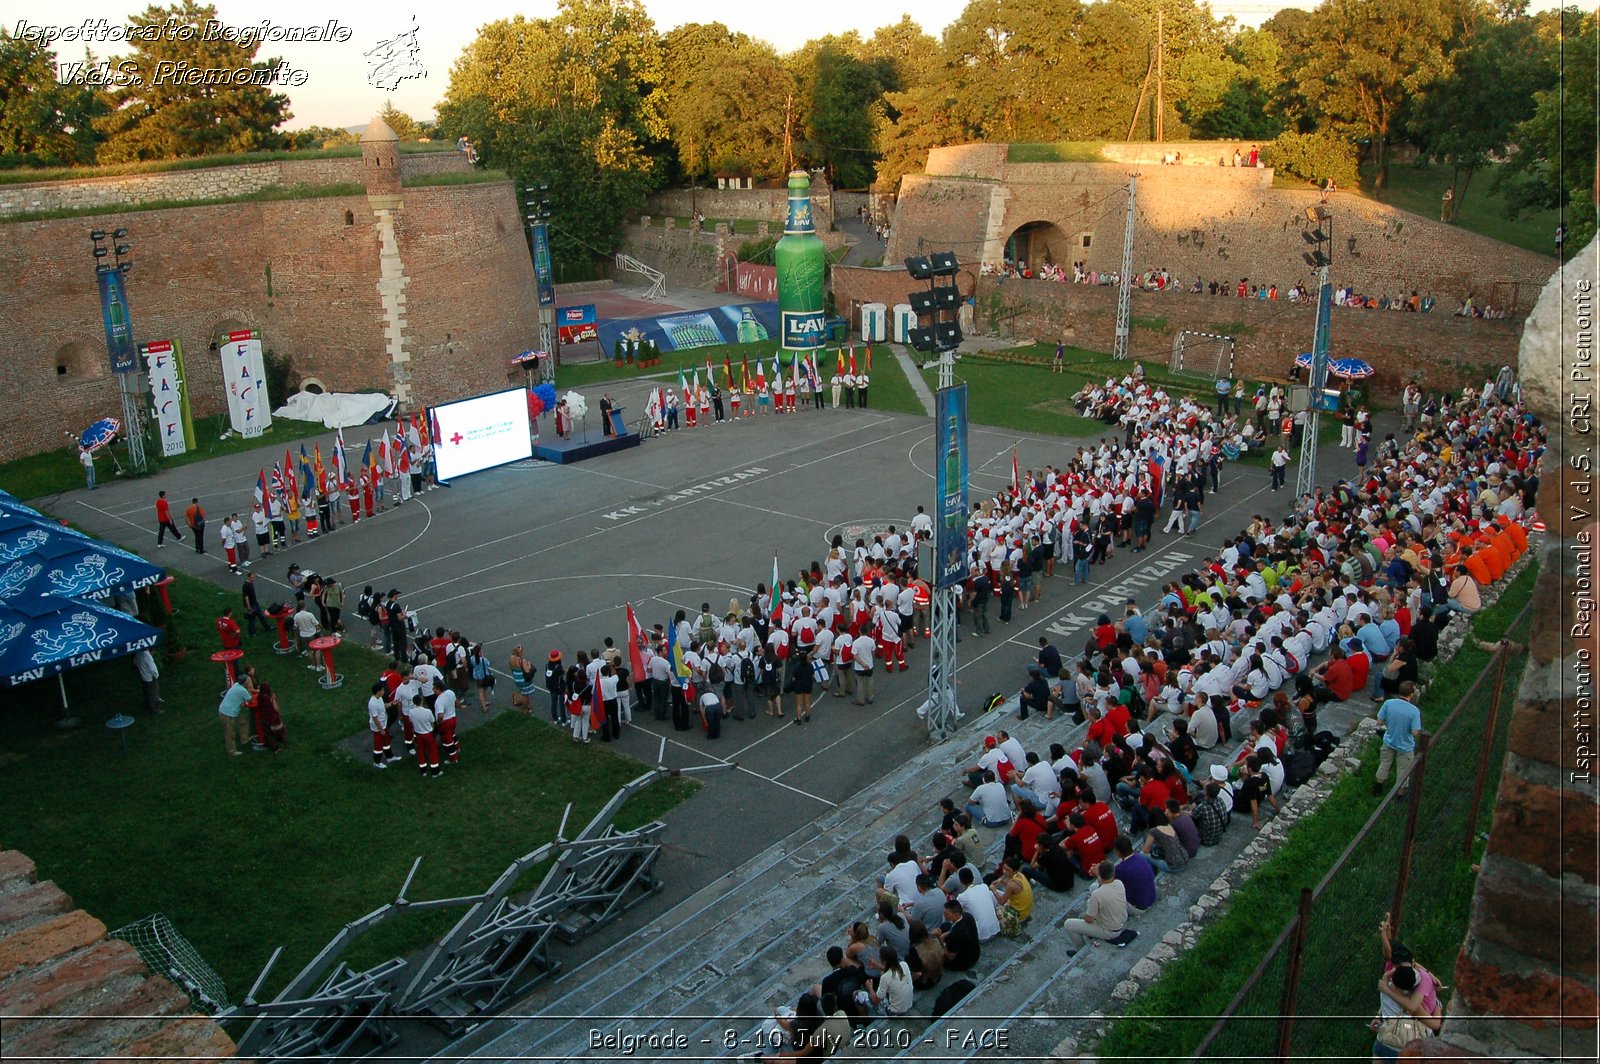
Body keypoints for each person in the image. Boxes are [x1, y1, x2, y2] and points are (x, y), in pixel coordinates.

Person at [1063, 861, 1130, 954]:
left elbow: (1089, 919)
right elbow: (1104, 886)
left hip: (1109, 931)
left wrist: (1083, 917)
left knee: (1068, 924)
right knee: (1091, 896)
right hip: (1122, 923)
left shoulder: (1097, 894)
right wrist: (1098, 874)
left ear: (1100, 875)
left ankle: (1080, 951)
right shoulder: (1119, 883)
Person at [1373, 681, 1422, 797]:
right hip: (1405, 745)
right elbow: (1415, 732)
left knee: (1384, 763)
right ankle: (1400, 793)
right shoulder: (1414, 711)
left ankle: (1378, 787)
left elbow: (1379, 721)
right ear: (1411, 694)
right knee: (1403, 769)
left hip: (1389, 741)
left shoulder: (1389, 703)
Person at [938, 897, 981, 971]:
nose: (944, 915)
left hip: (962, 963)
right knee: (945, 926)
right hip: (975, 953)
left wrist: (942, 942)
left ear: (956, 914)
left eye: (947, 914)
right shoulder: (968, 916)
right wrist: (946, 934)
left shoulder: (955, 934)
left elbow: (950, 957)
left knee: (936, 954)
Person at [218, 679, 252, 756]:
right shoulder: (243, 690)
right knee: (230, 732)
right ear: (246, 682)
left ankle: (244, 738)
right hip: (227, 714)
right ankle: (231, 751)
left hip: (230, 710)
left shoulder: (236, 685)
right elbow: (250, 699)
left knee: (244, 721)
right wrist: (249, 688)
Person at [133, 648, 161, 716]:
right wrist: (156, 676)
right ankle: (155, 709)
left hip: (143, 677)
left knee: (146, 692)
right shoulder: (147, 656)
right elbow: (153, 668)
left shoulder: (138, 653)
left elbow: (135, 662)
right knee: (153, 693)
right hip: (150, 678)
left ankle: (147, 705)